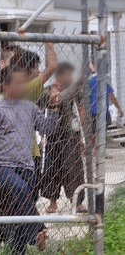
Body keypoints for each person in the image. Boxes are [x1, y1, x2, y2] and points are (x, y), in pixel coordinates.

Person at [0, 65, 57, 255]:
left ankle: (16, 249)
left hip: (27, 166)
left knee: (15, 214)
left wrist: (54, 107)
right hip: (3, 167)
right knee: (19, 189)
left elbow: (47, 128)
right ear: (5, 85)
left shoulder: (30, 107)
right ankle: (38, 230)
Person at [38, 62, 86, 213]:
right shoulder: (47, 91)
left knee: (74, 169)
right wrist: (41, 134)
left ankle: (77, 202)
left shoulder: (74, 90)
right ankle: (53, 202)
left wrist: (83, 135)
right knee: (52, 170)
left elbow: (80, 110)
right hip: (52, 135)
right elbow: (39, 110)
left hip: (69, 134)